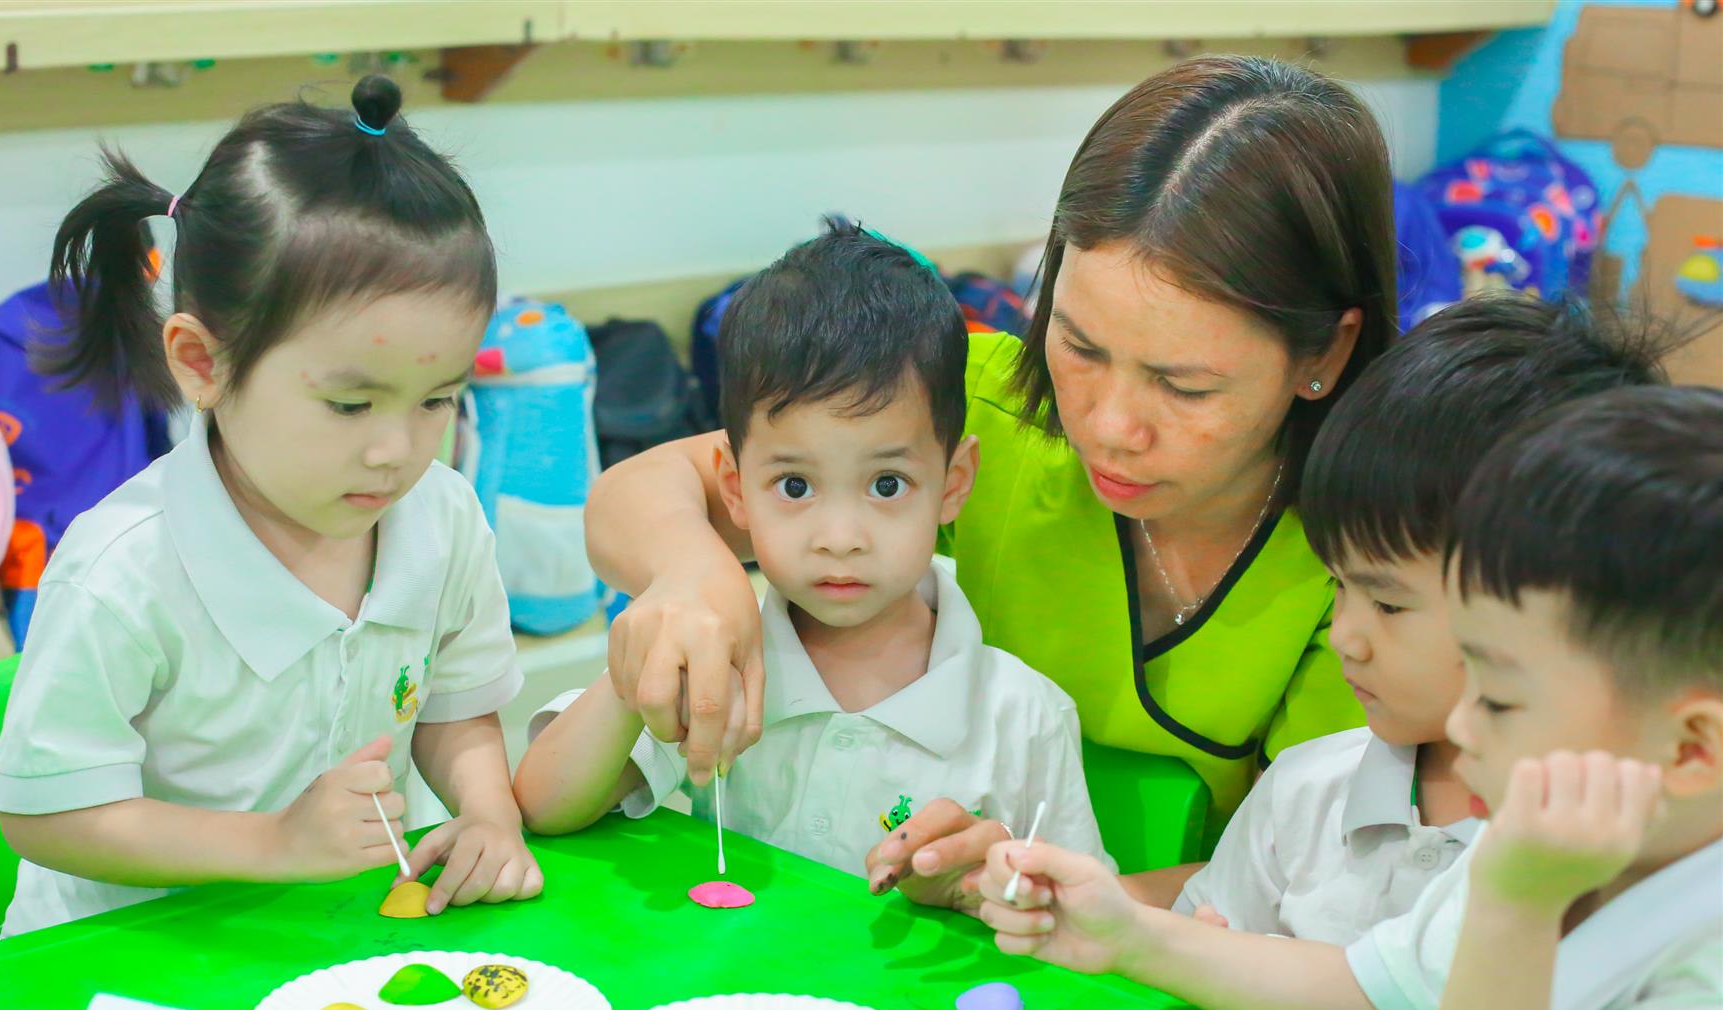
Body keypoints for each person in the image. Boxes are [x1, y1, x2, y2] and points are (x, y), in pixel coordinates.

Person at [581, 55, 1398, 905]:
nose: (1108, 426)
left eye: (1182, 385)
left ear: (1326, 351)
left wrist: (1031, 893)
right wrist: (693, 572)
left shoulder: (1372, 561)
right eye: (1080, 345)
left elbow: (1309, 874)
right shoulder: (981, 406)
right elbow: (638, 492)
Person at [977, 386, 1723, 1010]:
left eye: (1502, 701)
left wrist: (1516, 907)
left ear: (1692, 747)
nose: (1462, 725)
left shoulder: (1641, 930)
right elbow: (1374, 994)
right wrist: (1133, 937)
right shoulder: (1560, 841)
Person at [0, 77, 540, 937]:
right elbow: (45, 817)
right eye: (351, 405)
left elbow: (455, 706)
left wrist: (487, 815)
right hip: (132, 956)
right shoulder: (123, 571)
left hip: (333, 935)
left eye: (437, 399)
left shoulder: (443, 517)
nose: (396, 450)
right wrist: (273, 843)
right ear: (202, 364)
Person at [515, 222, 1110, 891]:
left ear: (954, 484)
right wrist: (638, 673)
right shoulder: (714, 658)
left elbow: (1081, 913)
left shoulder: (1022, 714)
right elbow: (545, 805)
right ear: (735, 488)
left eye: (887, 485)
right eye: (795, 486)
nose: (840, 536)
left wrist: (999, 888)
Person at [1169, 295, 1664, 942]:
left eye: (1390, 604)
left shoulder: (1616, 850)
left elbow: (1395, 994)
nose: (1345, 637)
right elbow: (1195, 953)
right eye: (1338, 584)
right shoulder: (1305, 792)